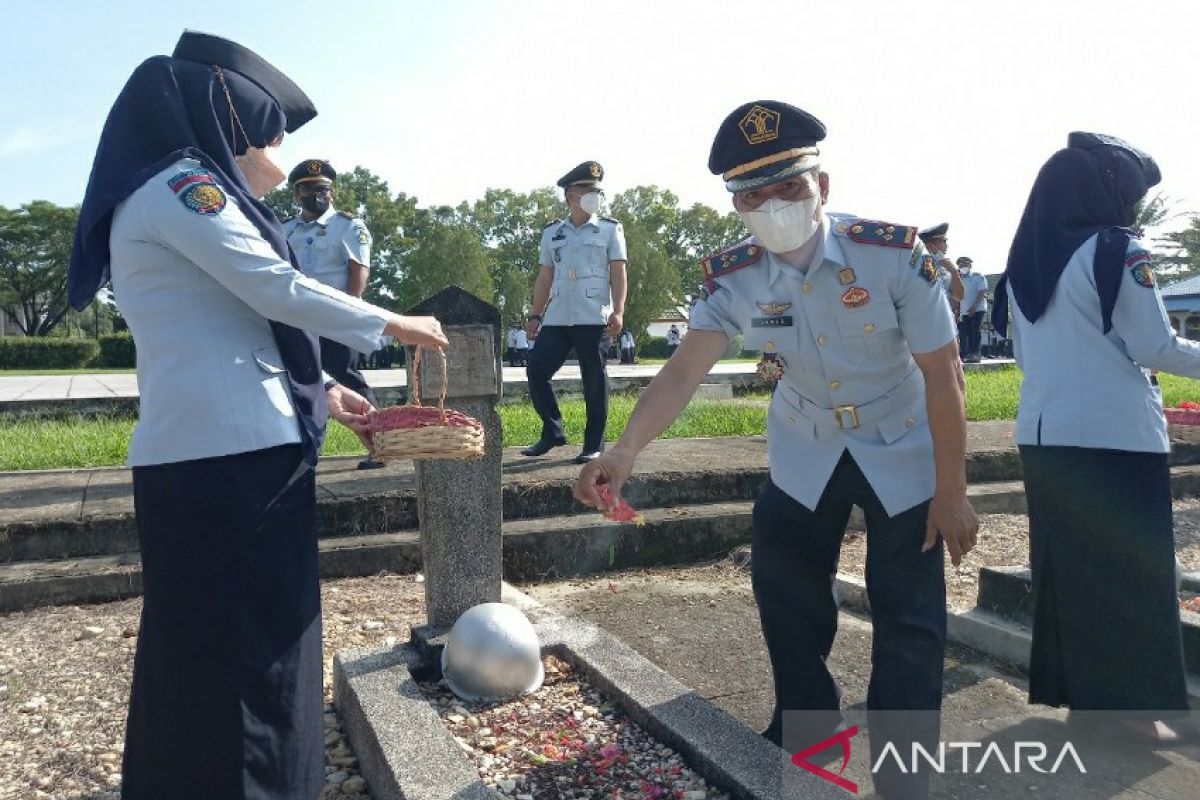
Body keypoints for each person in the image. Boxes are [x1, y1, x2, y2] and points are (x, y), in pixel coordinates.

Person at [66, 31, 448, 800]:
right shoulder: (181, 184)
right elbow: (271, 284)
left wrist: (326, 395)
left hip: (219, 454)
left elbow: (234, 331)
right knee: (249, 667)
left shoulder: (169, 190)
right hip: (230, 466)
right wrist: (393, 324)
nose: (283, 148)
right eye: (273, 127)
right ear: (231, 119)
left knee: (214, 659)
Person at [575, 100, 976, 798]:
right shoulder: (735, 275)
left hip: (902, 439)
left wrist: (953, 491)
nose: (773, 205)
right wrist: (625, 449)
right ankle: (807, 738)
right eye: (752, 194)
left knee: (909, 616)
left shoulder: (892, 254)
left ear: (822, 183)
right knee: (786, 596)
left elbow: (944, 373)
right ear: (736, 204)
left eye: (789, 185)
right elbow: (681, 372)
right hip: (806, 443)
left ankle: (906, 771)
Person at [994, 132, 1198, 742]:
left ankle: (1087, 700)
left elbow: (1027, 357)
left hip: (1045, 434)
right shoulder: (1117, 251)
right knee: (1133, 574)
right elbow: (1154, 345)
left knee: (1071, 573)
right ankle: (1131, 714)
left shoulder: (1023, 262)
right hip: (1117, 437)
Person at [523, 160, 628, 464]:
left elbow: (619, 272)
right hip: (558, 317)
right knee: (536, 370)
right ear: (571, 195)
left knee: (594, 382)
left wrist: (618, 311)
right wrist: (535, 314)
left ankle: (593, 444)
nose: (595, 194)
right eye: (588, 189)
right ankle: (552, 431)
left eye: (597, 190)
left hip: (594, 316)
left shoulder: (609, 229)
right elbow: (545, 277)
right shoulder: (552, 233)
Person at [282, 158, 381, 468]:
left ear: (332, 193)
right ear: (297, 195)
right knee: (301, 383)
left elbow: (358, 273)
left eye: (324, 189)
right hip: (297, 319)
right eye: (310, 189)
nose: (318, 195)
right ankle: (306, 452)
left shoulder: (348, 227)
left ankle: (380, 445)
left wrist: (346, 313)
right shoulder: (284, 229)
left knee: (348, 381)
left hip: (335, 318)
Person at [918, 223, 965, 322]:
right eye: (943, 242)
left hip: (944, 321)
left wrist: (954, 272)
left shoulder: (947, 268)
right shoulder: (918, 266)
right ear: (931, 245)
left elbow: (959, 296)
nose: (946, 246)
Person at [956, 256, 989, 362]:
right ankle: (967, 354)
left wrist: (974, 307)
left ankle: (976, 354)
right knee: (965, 332)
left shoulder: (977, 277)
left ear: (970, 265)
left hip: (978, 308)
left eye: (964, 265)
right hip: (964, 310)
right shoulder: (959, 279)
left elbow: (982, 292)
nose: (962, 267)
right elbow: (958, 296)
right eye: (960, 266)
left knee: (975, 330)